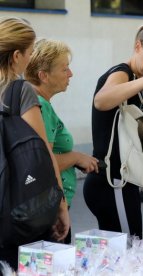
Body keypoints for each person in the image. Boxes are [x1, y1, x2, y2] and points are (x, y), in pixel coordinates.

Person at [84, 23, 143, 238]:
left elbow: (133, 137)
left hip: (122, 181)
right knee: (129, 252)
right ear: (137, 46)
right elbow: (101, 100)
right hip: (111, 181)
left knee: (126, 254)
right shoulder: (123, 73)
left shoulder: (134, 80)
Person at [0, 17, 69, 269]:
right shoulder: (20, 90)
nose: (30, 59)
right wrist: (60, 205)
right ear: (17, 55)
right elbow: (43, 152)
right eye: (29, 52)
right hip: (17, 206)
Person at [25, 39, 99, 244]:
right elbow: (42, 162)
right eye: (65, 69)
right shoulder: (40, 106)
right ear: (43, 76)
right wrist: (76, 157)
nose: (70, 74)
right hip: (49, 209)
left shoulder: (37, 102)